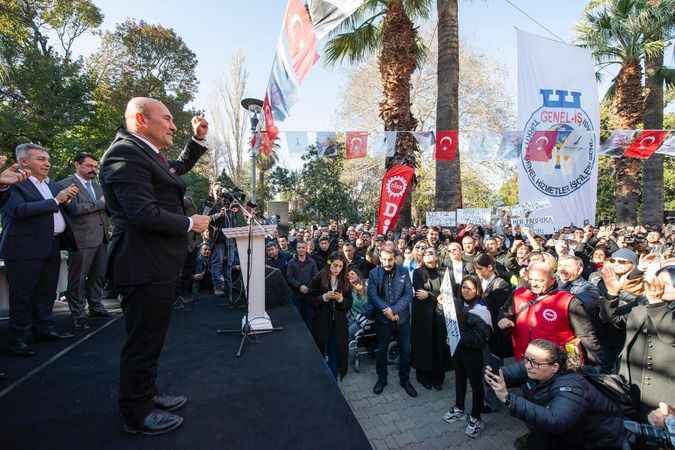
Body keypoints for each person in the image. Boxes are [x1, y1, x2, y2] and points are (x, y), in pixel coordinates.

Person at [99, 97, 210, 435]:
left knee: (152, 338)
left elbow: (175, 170)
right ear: (141, 119)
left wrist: (197, 141)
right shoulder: (124, 154)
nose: (174, 125)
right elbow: (142, 213)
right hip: (142, 264)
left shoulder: (146, 154)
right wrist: (190, 224)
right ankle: (136, 413)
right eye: (167, 118)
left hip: (156, 264)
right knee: (142, 342)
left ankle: (146, 394)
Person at [0, 143, 79, 356]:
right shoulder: (15, 184)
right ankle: (18, 340)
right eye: (41, 159)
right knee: (23, 295)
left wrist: (67, 199)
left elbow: (63, 210)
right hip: (23, 248)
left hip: (51, 245)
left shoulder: (52, 185)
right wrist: (56, 200)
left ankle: (43, 329)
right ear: (24, 162)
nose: (48, 163)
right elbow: (19, 210)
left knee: (46, 292)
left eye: (47, 159)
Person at [484, 339, 625, 450]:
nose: (527, 365)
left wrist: (508, 399)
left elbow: (556, 420)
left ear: (555, 367)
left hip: (592, 441)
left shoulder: (572, 386)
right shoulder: (534, 367)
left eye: (534, 362)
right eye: (526, 358)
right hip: (561, 434)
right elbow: (507, 374)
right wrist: (492, 375)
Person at [499, 262, 603, 367]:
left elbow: (586, 335)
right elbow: (505, 312)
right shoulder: (518, 294)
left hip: (555, 366)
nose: (534, 284)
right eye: (531, 279)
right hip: (524, 361)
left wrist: (595, 366)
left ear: (552, 280)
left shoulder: (568, 301)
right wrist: (503, 319)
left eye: (540, 280)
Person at [604, 266, 675, 419]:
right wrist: (612, 293)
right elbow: (612, 319)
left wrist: (656, 304)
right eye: (658, 281)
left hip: (664, 391)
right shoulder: (643, 304)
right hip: (630, 383)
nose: (659, 286)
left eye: (666, 284)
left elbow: (670, 335)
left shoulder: (656, 305)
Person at [57, 152, 112, 331]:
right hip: (80, 240)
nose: (93, 170)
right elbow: (74, 209)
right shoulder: (64, 185)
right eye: (89, 166)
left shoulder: (97, 186)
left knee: (98, 275)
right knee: (78, 279)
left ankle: (96, 306)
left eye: (95, 167)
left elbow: (107, 207)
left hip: (102, 237)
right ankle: (78, 313)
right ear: (77, 165)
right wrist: (100, 204)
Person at [442, 275, 492, 439]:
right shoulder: (458, 304)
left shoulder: (482, 309)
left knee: (476, 385)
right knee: (460, 379)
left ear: (477, 290)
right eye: (463, 287)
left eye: (470, 288)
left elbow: (479, 338)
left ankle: (476, 417)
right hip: (458, 351)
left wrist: (457, 337)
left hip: (473, 353)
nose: (466, 291)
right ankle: (459, 408)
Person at [367, 247, 417, 397]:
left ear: (395, 258)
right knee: (382, 350)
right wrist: (386, 310)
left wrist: (393, 310)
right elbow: (372, 295)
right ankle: (382, 380)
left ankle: (405, 380)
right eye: (384, 259)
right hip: (382, 319)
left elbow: (408, 294)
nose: (387, 262)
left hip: (402, 318)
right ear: (380, 259)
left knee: (406, 350)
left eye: (390, 259)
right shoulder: (373, 273)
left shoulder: (403, 271)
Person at [308, 252, 352, 379]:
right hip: (322, 322)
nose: (337, 269)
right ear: (329, 264)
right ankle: (321, 376)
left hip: (338, 324)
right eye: (335, 265)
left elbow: (349, 303)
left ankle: (333, 378)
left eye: (340, 266)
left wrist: (341, 300)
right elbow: (309, 299)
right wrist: (323, 297)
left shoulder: (345, 280)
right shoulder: (319, 277)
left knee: (335, 351)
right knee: (321, 349)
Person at [411, 247, 449, 391]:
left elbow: (447, 292)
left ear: (437, 256)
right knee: (424, 345)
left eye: (431, 253)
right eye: (425, 253)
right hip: (423, 316)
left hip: (440, 315)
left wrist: (431, 295)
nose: (428, 255)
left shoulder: (444, 271)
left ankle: (438, 378)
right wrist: (436, 296)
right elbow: (420, 293)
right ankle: (423, 377)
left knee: (439, 345)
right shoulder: (418, 272)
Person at [286, 241, 318, 330]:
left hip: (309, 293)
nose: (301, 249)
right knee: (297, 318)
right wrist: (299, 286)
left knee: (309, 317)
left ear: (306, 248)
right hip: (296, 294)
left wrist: (308, 287)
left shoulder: (312, 262)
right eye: (299, 248)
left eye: (303, 247)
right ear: (296, 249)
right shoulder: (291, 262)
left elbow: (315, 276)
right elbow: (289, 277)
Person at [346, 269, 369, 340]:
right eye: (348, 275)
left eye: (352, 274)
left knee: (348, 333)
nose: (350, 276)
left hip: (364, 319)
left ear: (358, 275)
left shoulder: (367, 285)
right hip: (353, 318)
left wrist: (361, 293)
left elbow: (366, 308)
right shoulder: (349, 290)